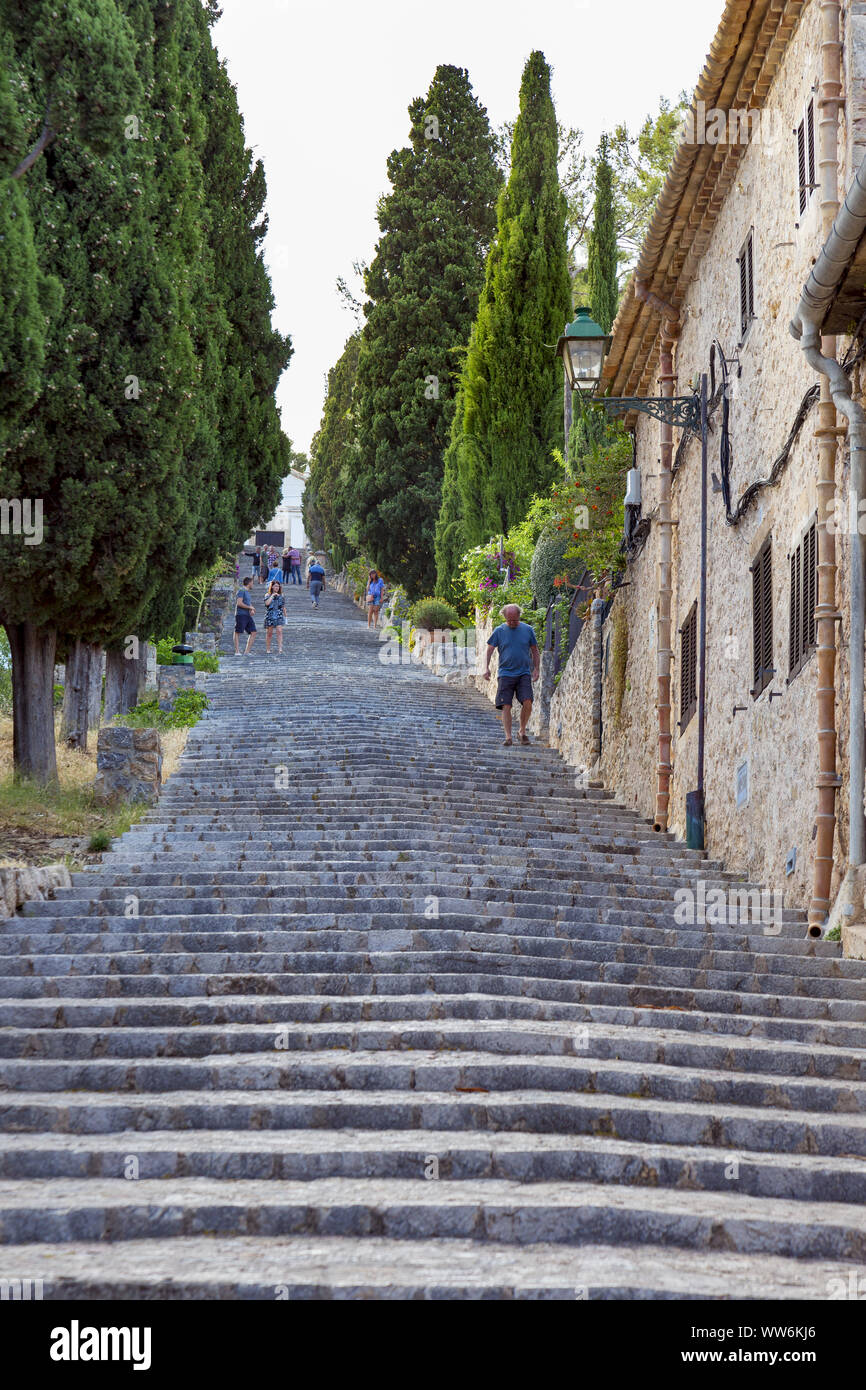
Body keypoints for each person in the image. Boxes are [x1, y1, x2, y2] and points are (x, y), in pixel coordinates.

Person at [483, 603, 540, 746]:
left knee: (528, 701)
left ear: (519, 616)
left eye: (514, 620)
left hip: (523, 673)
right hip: (505, 673)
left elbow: (535, 650)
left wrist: (537, 669)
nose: (512, 623)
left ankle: (522, 731)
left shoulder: (528, 630)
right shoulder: (499, 631)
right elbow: (489, 650)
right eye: (509, 620)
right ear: (505, 617)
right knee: (506, 705)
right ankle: (508, 737)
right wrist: (486, 668)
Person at [233, 576, 257, 655]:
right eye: (252, 582)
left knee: (253, 632)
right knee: (237, 632)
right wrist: (250, 607)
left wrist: (251, 609)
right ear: (249, 583)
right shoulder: (241, 590)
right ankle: (237, 651)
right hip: (241, 615)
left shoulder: (247, 592)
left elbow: (247, 603)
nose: (253, 584)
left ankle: (247, 652)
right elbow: (239, 603)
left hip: (247, 615)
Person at [264, 579, 286, 654]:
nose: (277, 588)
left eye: (278, 586)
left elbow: (283, 606)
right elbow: (267, 603)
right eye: (275, 586)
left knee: (279, 631)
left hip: (279, 615)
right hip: (270, 615)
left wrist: (285, 616)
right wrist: (272, 595)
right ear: (272, 587)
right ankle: (268, 649)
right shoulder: (267, 595)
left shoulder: (281, 596)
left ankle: (280, 648)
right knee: (269, 633)